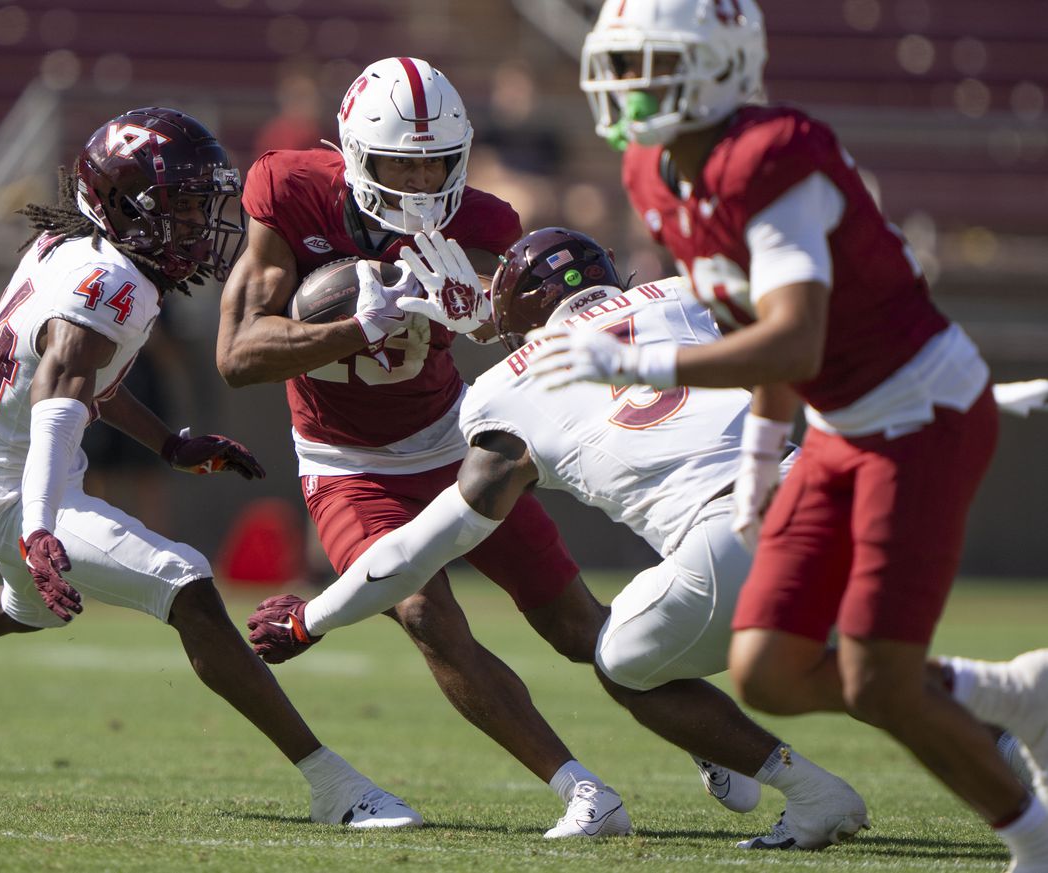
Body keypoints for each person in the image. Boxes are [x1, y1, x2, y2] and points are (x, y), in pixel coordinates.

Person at [0, 107, 421, 830]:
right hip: (18, 486)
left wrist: (169, 443)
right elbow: (59, 391)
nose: (197, 223)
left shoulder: (75, 248)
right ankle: (333, 785)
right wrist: (41, 527)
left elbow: (86, 381)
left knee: (24, 608)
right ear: (119, 205)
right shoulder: (107, 281)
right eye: (178, 206)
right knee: (189, 584)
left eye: (198, 204)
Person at [523, 2, 1048, 868]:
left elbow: (795, 334)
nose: (630, 87)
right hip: (841, 424)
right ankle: (1016, 692)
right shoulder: (652, 171)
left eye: (652, 64)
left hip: (920, 414)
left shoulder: (774, 156)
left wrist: (635, 363)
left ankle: (1031, 837)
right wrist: (765, 452)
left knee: (878, 676)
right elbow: (748, 315)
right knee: (770, 670)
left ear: (722, 65)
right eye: (621, 66)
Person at [247, 227, 872, 850]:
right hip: (830, 498)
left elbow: (415, 553)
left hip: (730, 532)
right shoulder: (677, 294)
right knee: (870, 673)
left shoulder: (506, 390)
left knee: (621, 662)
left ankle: (810, 791)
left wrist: (310, 620)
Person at [217, 56, 642, 837]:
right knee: (422, 611)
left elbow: (535, 339)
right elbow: (237, 354)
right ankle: (581, 787)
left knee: (578, 626)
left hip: (452, 442)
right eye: (399, 161)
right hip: (347, 465)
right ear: (352, 151)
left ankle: (723, 746)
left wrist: (488, 315)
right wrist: (352, 329)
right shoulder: (288, 188)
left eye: (435, 161)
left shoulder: (485, 222)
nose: (418, 180)